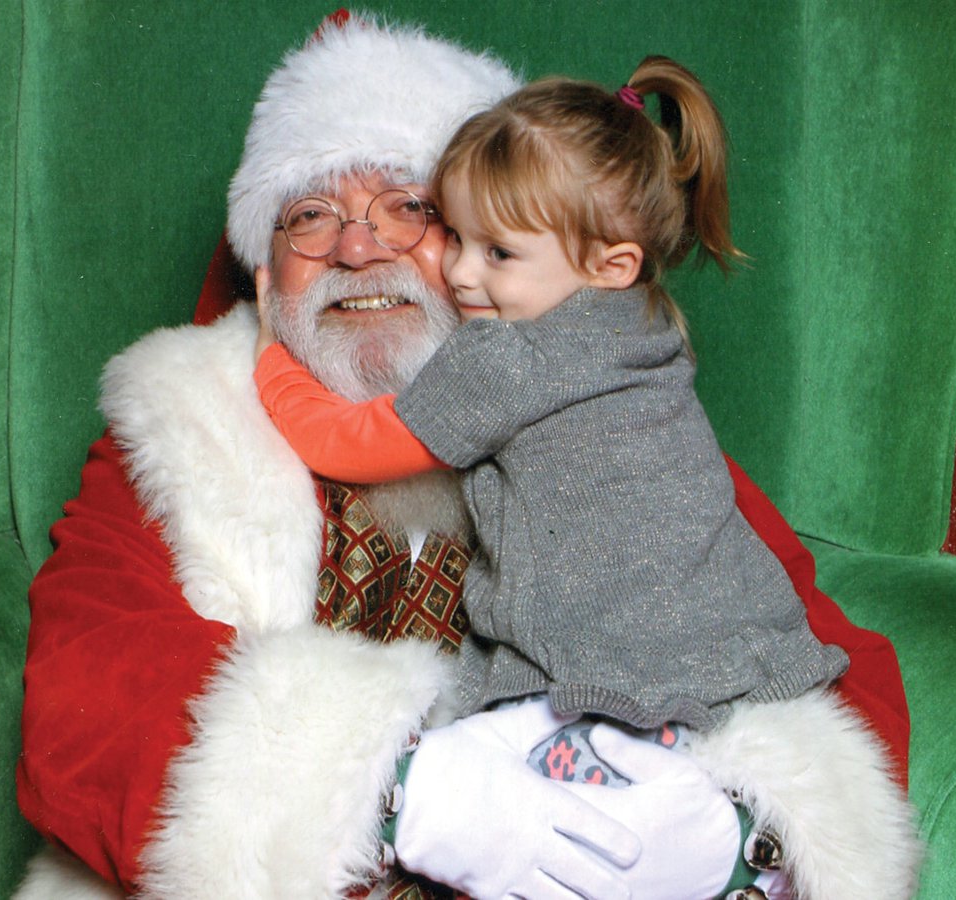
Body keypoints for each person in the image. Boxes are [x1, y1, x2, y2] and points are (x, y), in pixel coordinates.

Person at [15, 13, 921, 900]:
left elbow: (814, 656)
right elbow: (83, 696)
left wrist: (732, 834)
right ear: (264, 270)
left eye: (408, 207)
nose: (357, 247)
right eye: (309, 215)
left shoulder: (604, 422)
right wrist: (396, 795)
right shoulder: (180, 425)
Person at [254, 60, 851, 745]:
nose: (462, 272)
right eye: (460, 236)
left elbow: (347, 444)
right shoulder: (650, 327)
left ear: (611, 264)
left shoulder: (503, 356)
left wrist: (270, 361)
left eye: (498, 253)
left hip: (592, 679)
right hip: (730, 661)